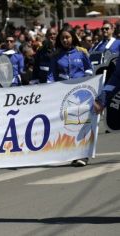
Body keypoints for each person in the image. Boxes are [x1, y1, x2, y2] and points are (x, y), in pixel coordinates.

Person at [49, 27, 93, 167]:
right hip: (64, 95)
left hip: (81, 94)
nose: (65, 40)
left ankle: (83, 155)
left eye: (67, 37)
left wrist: (88, 76)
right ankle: (74, 153)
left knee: (82, 123)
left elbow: (90, 69)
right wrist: (49, 86)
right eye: (62, 38)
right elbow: (51, 75)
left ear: (73, 38)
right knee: (70, 125)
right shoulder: (56, 56)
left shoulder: (81, 53)